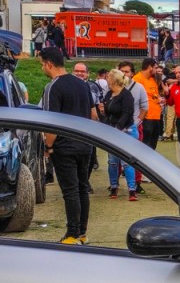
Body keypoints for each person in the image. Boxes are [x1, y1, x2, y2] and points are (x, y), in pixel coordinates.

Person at [38, 45, 96, 243]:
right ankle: (82, 233)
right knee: (82, 188)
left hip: (64, 146)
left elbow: (51, 123)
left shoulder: (52, 87)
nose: (42, 69)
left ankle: (72, 234)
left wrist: (48, 147)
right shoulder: (83, 85)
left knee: (70, 191)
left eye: (42, 65)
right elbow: (94, 115)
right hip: (85, 143)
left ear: (49, 64)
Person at [101, 69, 140, 198]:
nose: (106, 79)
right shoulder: (109, 94)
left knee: (126, 162)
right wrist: (103, 111)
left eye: (108, 77)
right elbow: (108, 113)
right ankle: (113, 186)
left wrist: (117, 127)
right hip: (112, 130)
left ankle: (132, 189)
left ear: (113, 80)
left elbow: (127, 113)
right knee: (112, 161)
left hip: (126, 130)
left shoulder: (126, 95)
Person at [133, 58, 163, 150]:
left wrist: (160, 99)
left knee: (152, 147)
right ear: (150, 67)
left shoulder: (152, 79)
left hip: (156, 117)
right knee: (144, 146)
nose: (156, 70)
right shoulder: (137, 79)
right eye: (155, 68)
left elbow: (155, 95)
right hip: (146, 118)